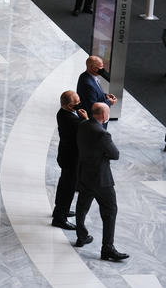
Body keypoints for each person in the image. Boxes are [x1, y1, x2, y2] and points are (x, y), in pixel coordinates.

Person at [74, 102, 128, 261]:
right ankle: (107, 248)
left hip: (85, 175)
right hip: (101, 180)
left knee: (82, 206)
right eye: (108, 113)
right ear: (104, 116)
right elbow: (115, 154)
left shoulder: (83, 125)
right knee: (110, 211)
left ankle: (81, 236)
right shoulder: (102, 134)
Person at [52, 90, 87, 230]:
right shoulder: (72, 119)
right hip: (71, 158)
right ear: (67, 105)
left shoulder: (62, 113)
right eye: (76, 103)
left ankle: (60, 210)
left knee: (64, 185)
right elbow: (86, 130)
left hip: (66, 155)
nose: (79, 105)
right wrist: (84, 119)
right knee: (68, 188)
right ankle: (60, 218)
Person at [77, 55, 117, 126]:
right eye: (100, 67)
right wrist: (109, 102)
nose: (102, 69)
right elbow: (93, 107)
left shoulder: (85, 75)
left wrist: (105, 96)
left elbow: (94, 93)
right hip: (95, 123)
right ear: (92, 68)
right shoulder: (88, 84)